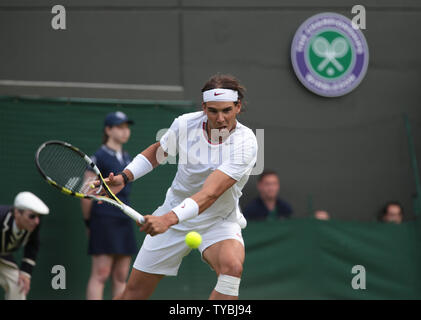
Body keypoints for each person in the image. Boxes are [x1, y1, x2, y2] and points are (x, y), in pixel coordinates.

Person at [96, 74, 258, 300]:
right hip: (175, 210)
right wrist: (125, 176)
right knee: (133, 294)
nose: (220, 118)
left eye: (226, 110)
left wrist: (167, 219)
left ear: (238, 107)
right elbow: (158, 152)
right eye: (213, 111)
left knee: (232, 269)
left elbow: (210, 193)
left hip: (218, 219)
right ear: (203, 107)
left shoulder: (246, 142)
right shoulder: (184, 124)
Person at [81, 111, 138, 300]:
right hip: (103, 218)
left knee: (122, 276)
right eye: (119, 127)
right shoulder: (98, 157)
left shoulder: (128, 158)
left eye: (126, 127)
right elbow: (86, 192)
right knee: (101, 274)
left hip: (124, 217)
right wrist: (89, 222)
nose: (125, 131)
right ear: (108, 130)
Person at [0, 191, 49, 300]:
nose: (36, 221)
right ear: (17, 212)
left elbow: (33, 245)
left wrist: (25, 273)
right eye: (32, 216)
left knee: (19, 285)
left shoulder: (34, 224)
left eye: (38, 217)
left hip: (2, 256)